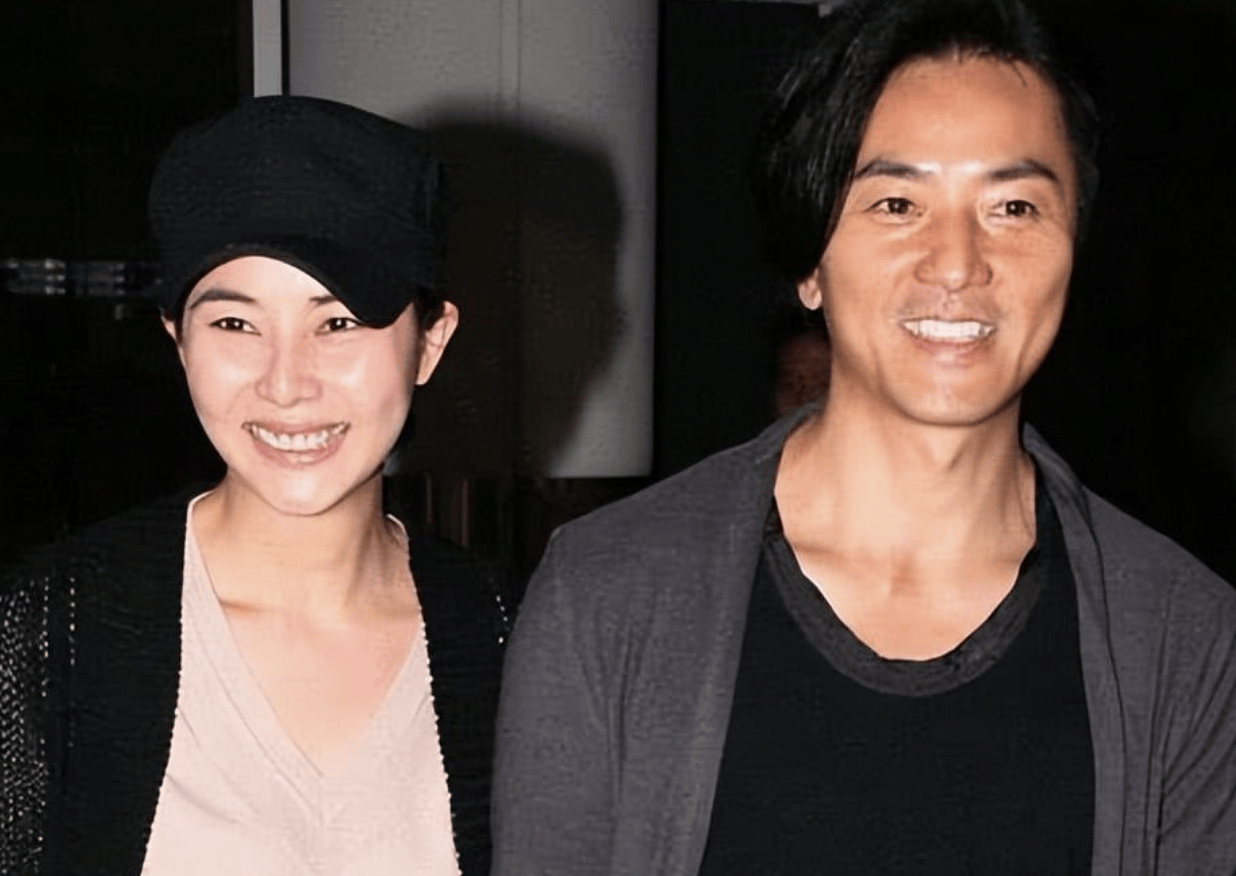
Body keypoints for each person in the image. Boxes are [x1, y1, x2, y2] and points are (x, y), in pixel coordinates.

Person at [491, 0, 1236, 873]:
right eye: (896, 203)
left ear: (1075, 245)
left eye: (1013, 207)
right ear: (810, 263)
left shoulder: (1181, 633)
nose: (956, 263)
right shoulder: (609, 595)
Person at [0, 96, 509, 875]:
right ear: (178, 340)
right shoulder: (48, 632)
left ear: (430, 342)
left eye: (338, 323)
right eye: (235, 325)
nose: (285, 383)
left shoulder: (513, 637)